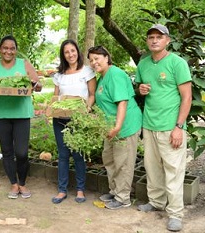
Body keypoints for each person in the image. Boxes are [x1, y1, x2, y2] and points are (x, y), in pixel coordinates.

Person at [135, 24, 192, 232]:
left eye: (159, 37)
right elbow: (142, 90)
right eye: (151, 37)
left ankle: (175, 213)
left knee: (174, 171)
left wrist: (179, 127)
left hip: (170, 127)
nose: (154, 40)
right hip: (149, 125)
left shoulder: (177, 63)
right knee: (152, 168)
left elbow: (186, 97)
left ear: (168, 40)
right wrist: (141, 90)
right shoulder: (143, 64)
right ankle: (156, 202)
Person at [0, 35, 42, 199]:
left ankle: (22, 183)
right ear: (0, 49)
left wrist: (34, 84)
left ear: (16, 50)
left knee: (22, 152)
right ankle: (14, 185)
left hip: (22, 113)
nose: (8, 51)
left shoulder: (24, 65)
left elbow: (38, 86)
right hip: (1, 114)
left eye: (12, 48)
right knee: (7, 151)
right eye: (5, 48)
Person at [87, 46, 142, 209]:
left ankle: (123, 197)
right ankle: (114, 190)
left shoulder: (115, 74)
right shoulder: (102, 77)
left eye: (97, 58)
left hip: (125, 125)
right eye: (91, 60)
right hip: (110, 127)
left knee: (123, 162)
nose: (94, 62)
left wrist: (117, 126)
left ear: (106, 57)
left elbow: (122, 102)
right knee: (110, 159)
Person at [50, 39, 96, 204]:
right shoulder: (59, 75)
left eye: (73, 50)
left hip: (79, 119)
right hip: (60, 119)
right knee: (62, 155)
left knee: (78, 155)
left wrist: (86, 110)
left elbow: (92, 94)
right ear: (63, 55)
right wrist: (52, 109)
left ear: (77, 51)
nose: (70, 54)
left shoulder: (87, 71)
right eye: (67, 52)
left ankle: (80, 189)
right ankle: (62, 190)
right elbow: (55, 98)